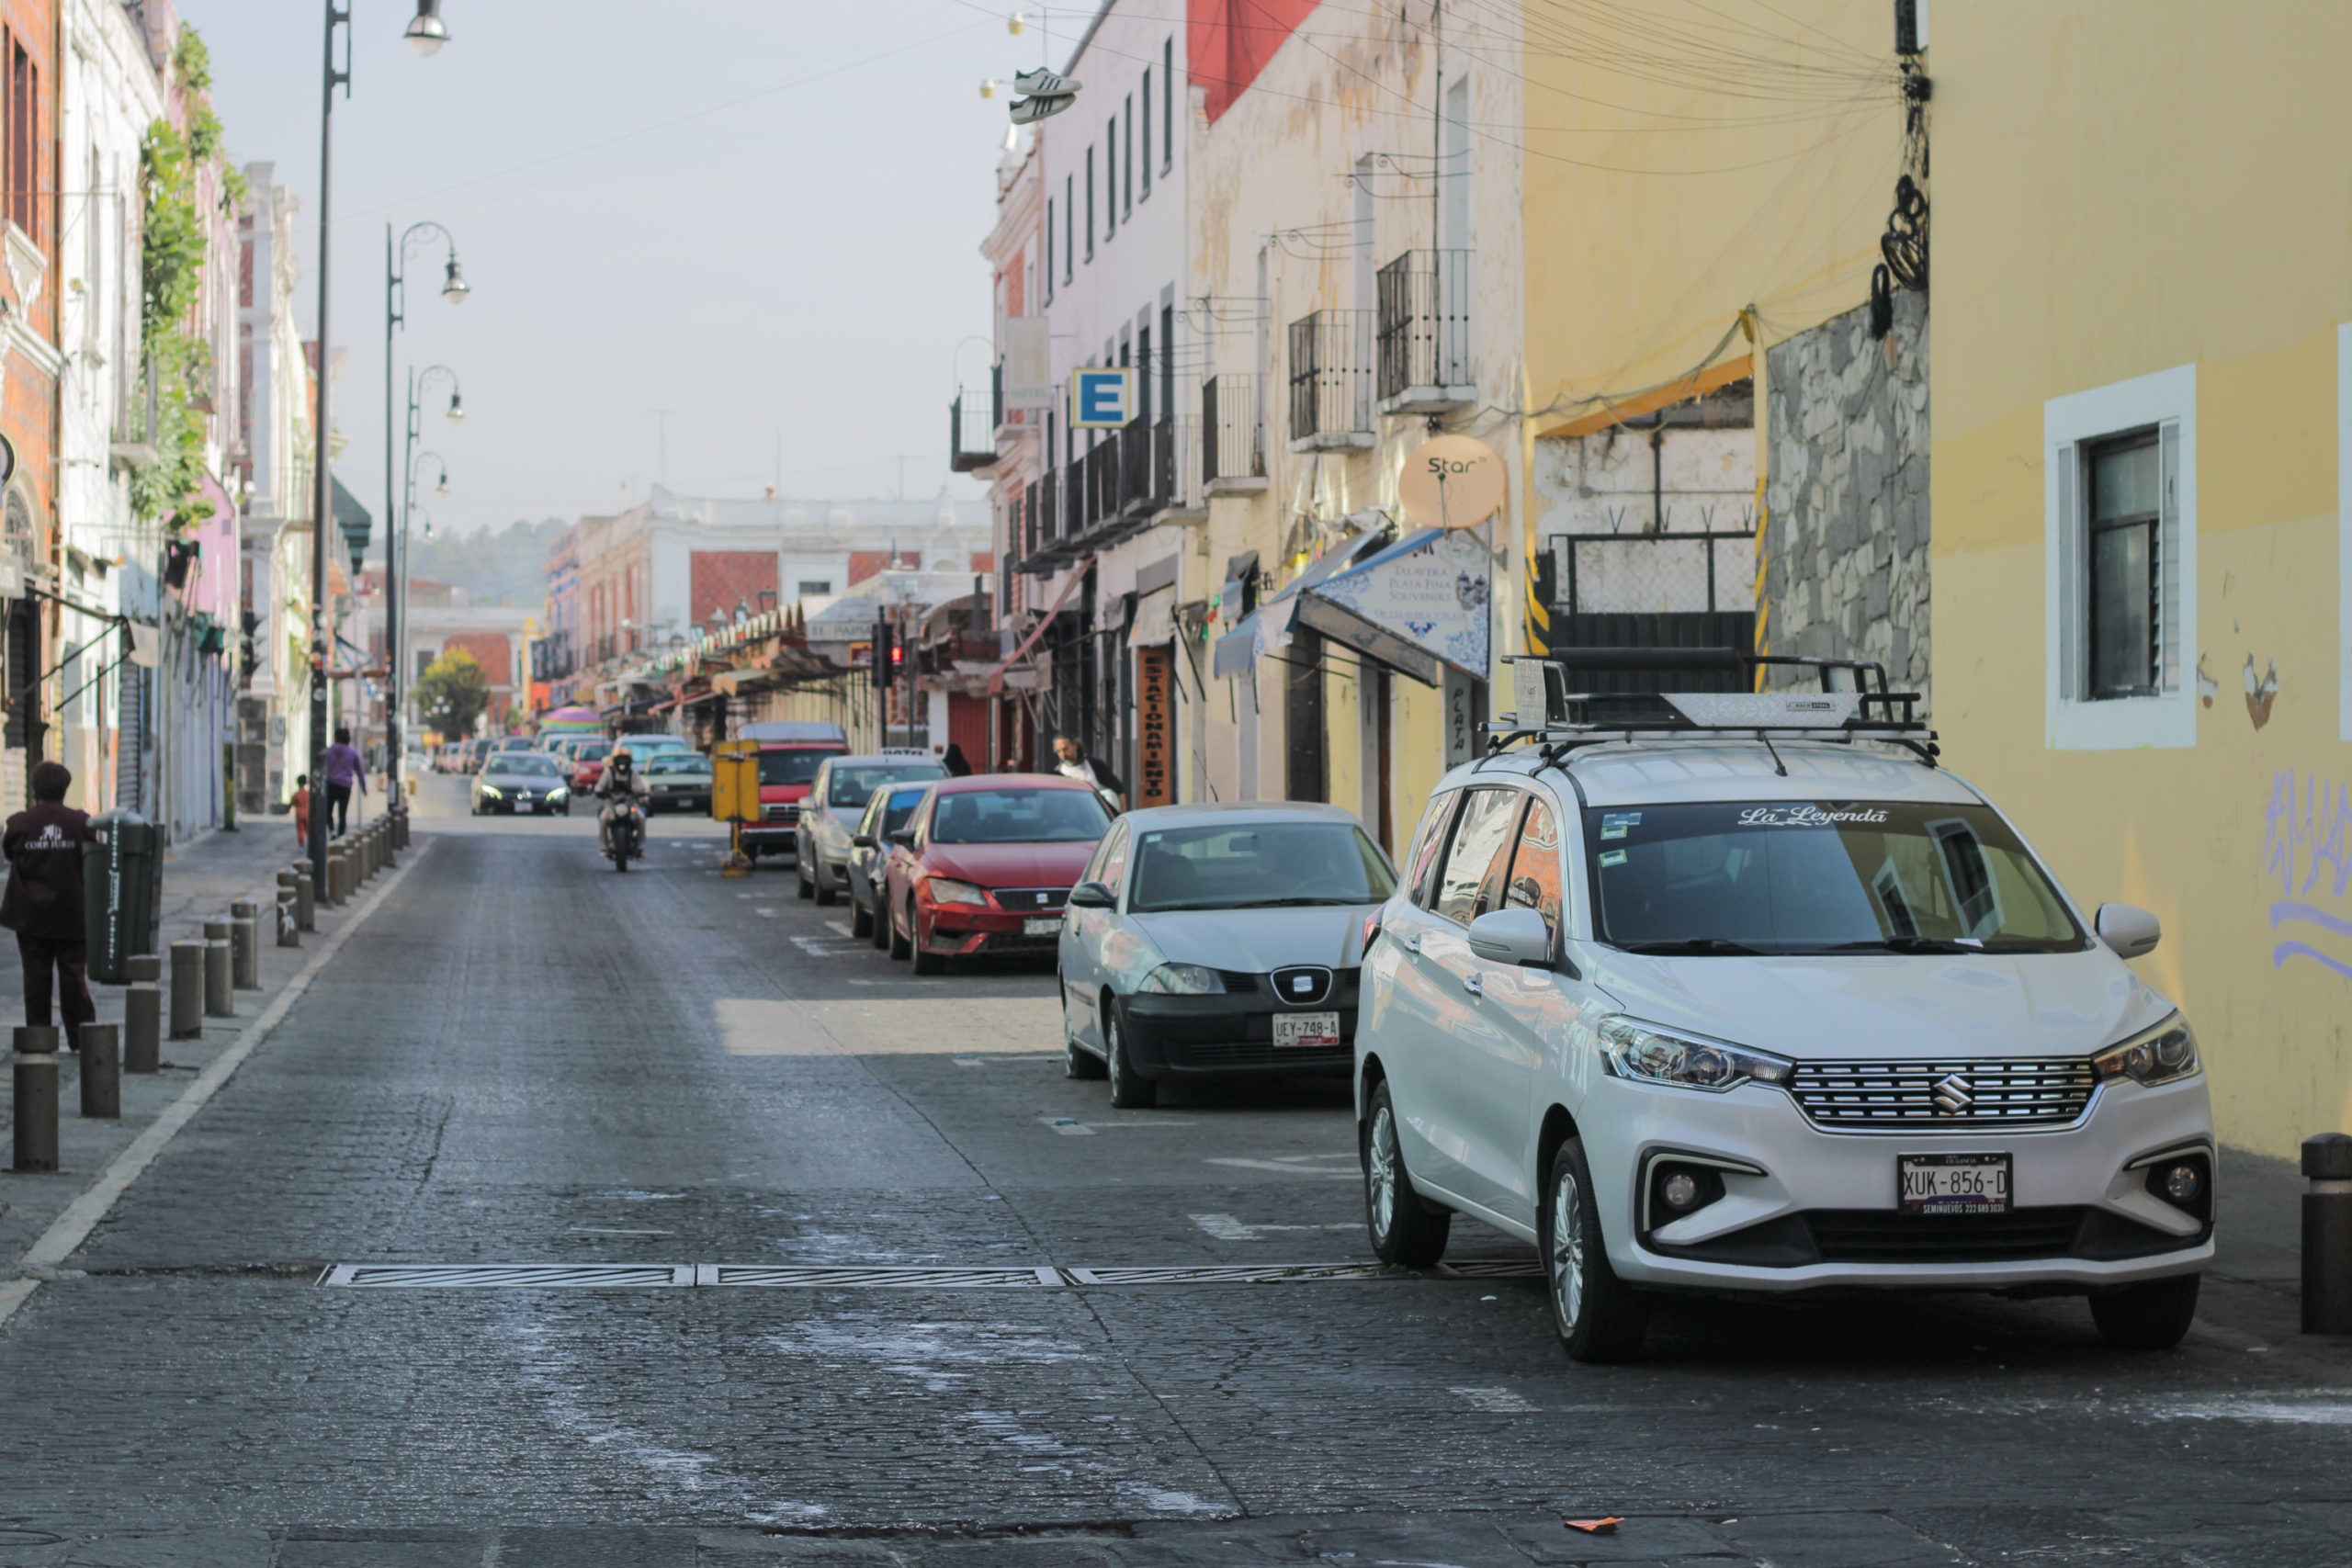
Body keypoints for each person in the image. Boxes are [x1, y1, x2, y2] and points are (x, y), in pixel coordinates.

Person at [0, 761, 97, 1049]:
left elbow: (8, 853)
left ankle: (40, 1037)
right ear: (65, 789)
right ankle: (80, 1038)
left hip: (30, 916)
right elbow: (91, 858)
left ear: (34, 788)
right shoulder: (80, 823)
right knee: (73, 976)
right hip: (71, 914)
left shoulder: (19, 823)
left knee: (36, 978)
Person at [1052, 735, 1125, 812]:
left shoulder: (1095, 765)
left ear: (1075, 746)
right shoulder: (1058, 773)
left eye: (1065, 749)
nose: (1063, 755)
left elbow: (1120, 791)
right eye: (1058, 751)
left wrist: (1123, 815)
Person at [595, 746, 641, 853]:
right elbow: (599, 786)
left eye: (625, 760)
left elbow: (641, 787)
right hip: (611, 804)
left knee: (641, 818)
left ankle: (638, 844)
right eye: (620, 760)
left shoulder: (633, 773)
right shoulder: (609, 772)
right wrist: (602, 792)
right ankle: (606, 844)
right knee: (603, 818)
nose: (622, 763)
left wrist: (634, 791)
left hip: (630, 803)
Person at [322, 727, 366, 836]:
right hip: (345, 786)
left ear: (336, 737)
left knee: (328, 811)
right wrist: (363, 787)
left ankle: (332, 831)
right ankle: (341, 836)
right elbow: (360, 771)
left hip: (331, 784)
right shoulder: (353, 752)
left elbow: (323, 767)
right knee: (343, 813)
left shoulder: (330, 750)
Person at [291, 774, 312, 848]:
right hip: (307, 814)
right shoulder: (308, 794)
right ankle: (311, 844)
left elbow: (292, 803)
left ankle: (302, 845)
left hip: (299, 815)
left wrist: (288, 808)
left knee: (301, 830)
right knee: (308, 830)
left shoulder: (297, 794)